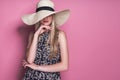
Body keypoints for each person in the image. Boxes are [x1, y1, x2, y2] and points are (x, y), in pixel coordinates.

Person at [21, 0, 70, 80]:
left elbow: (64, 66)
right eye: (42, 15)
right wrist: (36, 35)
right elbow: (30, 60)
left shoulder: (60, 35)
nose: (45, 18)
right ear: (38, 17)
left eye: (48, 15)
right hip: (31, 76)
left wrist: (37, 67)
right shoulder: (33, 34)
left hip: (51, 77)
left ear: (53, 16)